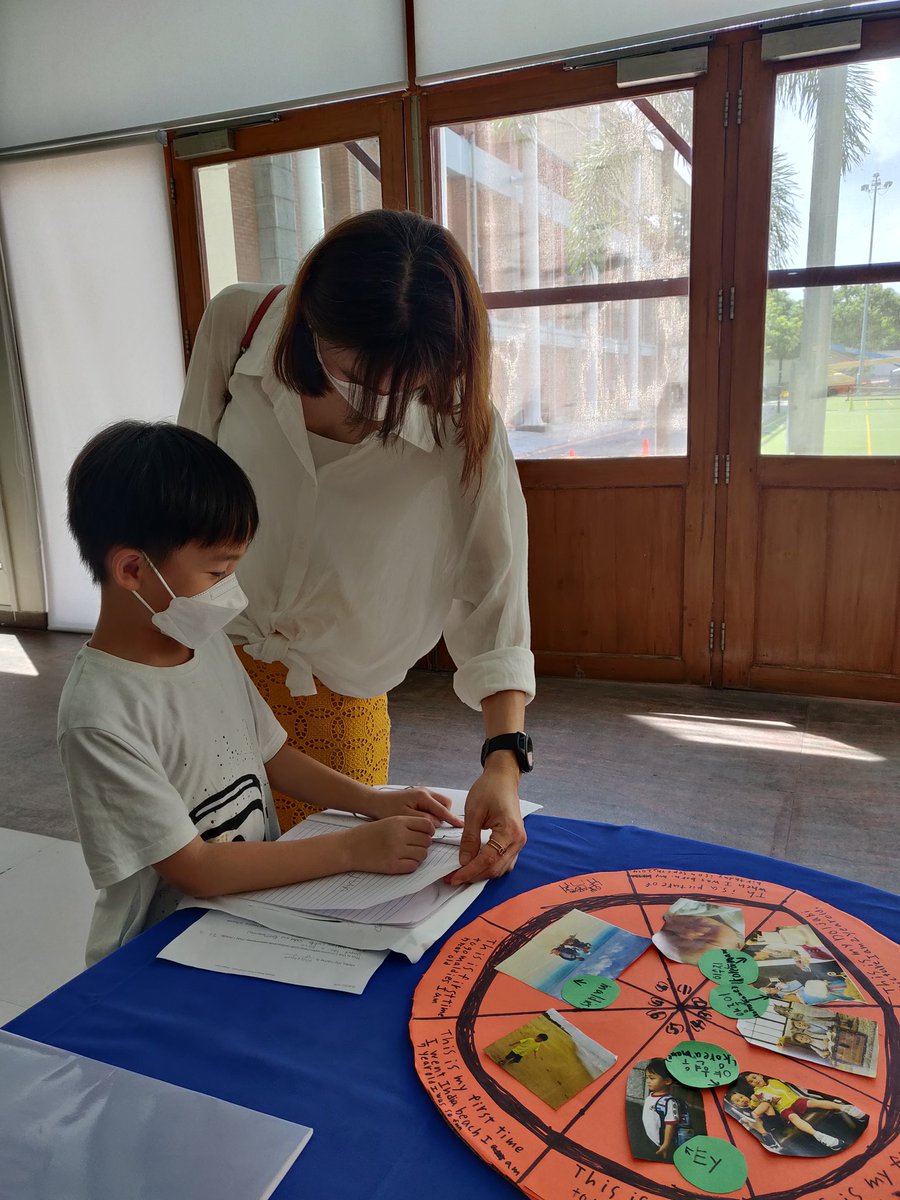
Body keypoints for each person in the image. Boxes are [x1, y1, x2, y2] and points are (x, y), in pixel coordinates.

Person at [179, 209, 535, 885]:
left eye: (401, 384)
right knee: (208, 887)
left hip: (337, 703)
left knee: (328, 909)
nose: (374, 402)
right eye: (353, 371)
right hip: (209, 668)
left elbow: (496, 595)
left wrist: (503, 760)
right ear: (310, 317)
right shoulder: (240, 327)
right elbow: (181, 494)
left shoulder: (464, 423)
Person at [59, 422, 461, 965]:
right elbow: (195, 869)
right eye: (219, 570)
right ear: (133, 568)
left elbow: (271, 753)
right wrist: (350, 848)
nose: (232, 591)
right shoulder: (100, 714)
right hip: (161, 952)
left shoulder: (205, 644)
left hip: (244, 914)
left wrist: (371, 801)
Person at [642, 1060, 695, 1161]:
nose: (648, 1081)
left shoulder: (669, 1102)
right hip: (651, 1139)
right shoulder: (650, 1097)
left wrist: (666, 1144)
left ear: (667, 1081)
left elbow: (670, 1125)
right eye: (647, 1077)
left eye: (652, 1078)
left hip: (661, 1143)